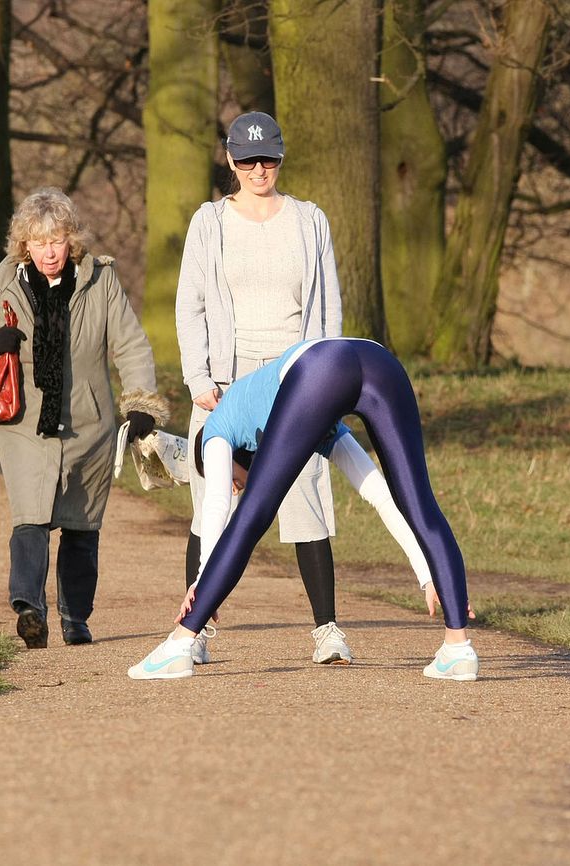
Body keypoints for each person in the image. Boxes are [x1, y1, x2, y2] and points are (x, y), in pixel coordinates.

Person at [128, 337, 478, 682]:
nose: (235, 485)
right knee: (420, 503)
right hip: (379, 361)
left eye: (233, 478)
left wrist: (203, 582)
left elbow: (217, 505)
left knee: (252, 516)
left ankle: (179, 645)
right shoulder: (310, 421)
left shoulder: (217, 428)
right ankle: (458, 648)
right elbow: (380, 496)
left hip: (321, 368)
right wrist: (428, 574)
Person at [175, 110, 350, 667]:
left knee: (306, 498)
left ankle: (327, 630)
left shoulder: (309, 221)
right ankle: (195, 631)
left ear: (280, 158)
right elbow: (190, 306)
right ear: (230, 160)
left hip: (296, 378)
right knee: (212, 507)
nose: (258, 169)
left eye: (267, 159)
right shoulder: (209, 223)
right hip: (226, 382)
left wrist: (329, 382)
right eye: (247, 160)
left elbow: (328, 309)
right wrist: (199, 378)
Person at [0, 187, 168, 649]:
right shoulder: (2, 281)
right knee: (29, 518)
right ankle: (29, 610)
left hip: (90, 424)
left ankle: (76, 617)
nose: (49, 252)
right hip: (24, 422)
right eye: (39, 243)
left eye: (56, 241)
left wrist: (140, 403)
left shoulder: (101, 280)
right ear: (24, 245)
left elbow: (130, 344)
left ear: (71, 240)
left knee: (81, 526)